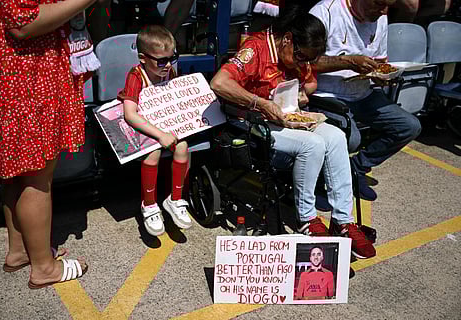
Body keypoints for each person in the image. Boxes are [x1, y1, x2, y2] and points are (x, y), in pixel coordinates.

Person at [210, 7, 376, 259]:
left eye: (308, 59)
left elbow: (310, 82)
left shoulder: (299, 55)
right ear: (286, 39)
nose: (303, 63)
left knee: (336, 137)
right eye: (300, 57)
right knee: (313, 145)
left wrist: (302, 92)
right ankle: (306, 218)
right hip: (253, 120)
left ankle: (343, 221)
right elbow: (219, 83)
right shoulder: (256, 49)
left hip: (286, 117)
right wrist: (261, 103)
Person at [0, 0, 95, 289]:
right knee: (37, 173)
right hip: (27, 72)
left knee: (15, 169)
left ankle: (20, 251)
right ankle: (44, 267)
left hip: (7, 70)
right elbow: (22, 22)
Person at [310, 0, 422, 201]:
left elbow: (380, 61)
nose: (384, 11)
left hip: (363, 93)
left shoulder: (380, 17)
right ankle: (317, 180)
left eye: (388, 6)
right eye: (379, 4)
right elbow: (306, 61)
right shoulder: (325, 11)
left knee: (409, 126)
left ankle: (356, 168)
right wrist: (347, 61)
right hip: (326, 94)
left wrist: (383, 76)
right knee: (352, 139)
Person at [117, 24, 192, 237]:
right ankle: (149, 204)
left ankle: (174, 199)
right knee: (153, 153)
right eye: (161, 60)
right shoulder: (136, 76)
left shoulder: (169, 72)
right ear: (142, 58)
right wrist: (160, 135)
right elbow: (130, 114)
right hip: (139, 124)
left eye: (172, 58)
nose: (168, 65)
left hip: (162, 123)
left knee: (182, 147)